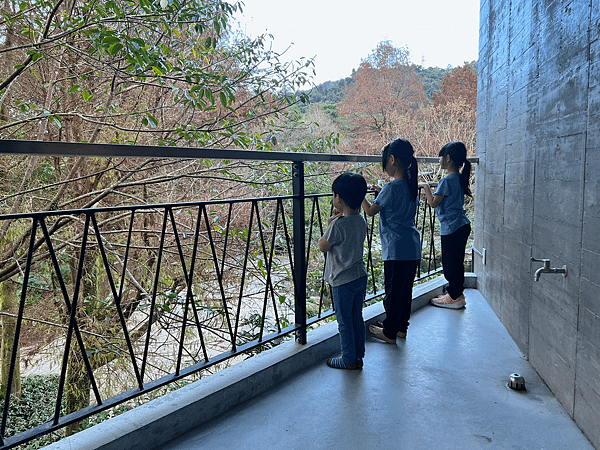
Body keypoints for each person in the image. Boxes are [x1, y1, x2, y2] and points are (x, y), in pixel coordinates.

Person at [362, 138, 421, 344]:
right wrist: (380, 194)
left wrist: (361, 194)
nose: (384, 164)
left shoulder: (391, 187)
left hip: (395, 248)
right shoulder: (411, 185)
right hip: (412, 246)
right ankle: (400, 328)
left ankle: (389, 332)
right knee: (405, 291)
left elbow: (370, 211)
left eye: (385, 160)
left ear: (393, 159)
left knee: (392, 293)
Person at [319, 172, 368, 370]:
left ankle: (347, 359)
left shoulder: (337, 225)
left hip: (341, 281)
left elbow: (323, 246)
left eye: (333, 195)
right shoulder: (361, 221)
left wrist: (329, 225)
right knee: (357, 317)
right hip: (359, 277)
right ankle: (358, 356)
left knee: (344, 321)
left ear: (338, 198)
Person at [420, 141, 472, 309]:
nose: (439, 160)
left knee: (450, 264)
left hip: (452, 227)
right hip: (461, 225)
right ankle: (456, 294)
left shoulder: (446, 181)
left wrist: (426, 188)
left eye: (440, 157)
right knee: (457, 262)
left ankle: (454, 296)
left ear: (448, 158)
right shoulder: (458, 178)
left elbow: (434, 203)